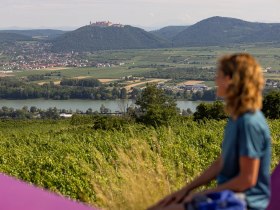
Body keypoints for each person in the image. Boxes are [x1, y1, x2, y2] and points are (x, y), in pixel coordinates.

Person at [147, 53, 271, 210]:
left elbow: (247, 180)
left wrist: (202, 194)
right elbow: (222, 161)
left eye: (219, 75)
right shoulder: (236, 118)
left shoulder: (249, 122)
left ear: (230, 80)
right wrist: (185, 190)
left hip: (245, 203)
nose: (215, 80)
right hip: (230, 196)